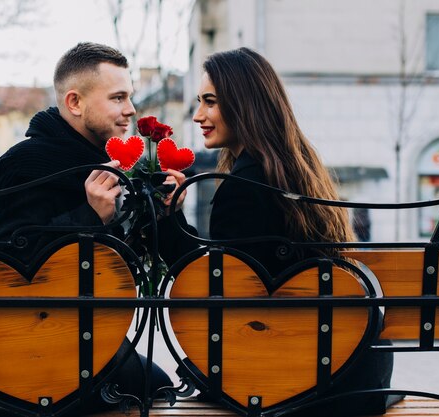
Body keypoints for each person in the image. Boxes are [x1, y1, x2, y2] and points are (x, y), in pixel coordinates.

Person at [0, 42, 171, 417]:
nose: (131, 110)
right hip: (37, 340)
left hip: (89, 333)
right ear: (75, 103)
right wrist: (90, 217)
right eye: (118, 97)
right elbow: (8, 261)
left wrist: (164, 211)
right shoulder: (25, 164)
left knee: (159, 385)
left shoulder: (103, 165)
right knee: (152, 388)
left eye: (130, 97)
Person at [164, 47, 395, 416]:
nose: (198, 115)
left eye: (210, 102)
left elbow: (212, 292)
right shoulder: (296, 168)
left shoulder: (245, 187)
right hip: (349, 369)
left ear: (244, 104)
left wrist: (166, 220)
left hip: (303, 381)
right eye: (199, 102)